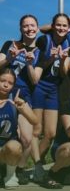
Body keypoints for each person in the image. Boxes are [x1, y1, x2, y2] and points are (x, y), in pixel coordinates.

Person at [30, 13, 70, 183]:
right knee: (37, 130)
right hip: (39, 86)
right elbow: (39, 66)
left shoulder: (69, 44)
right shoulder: (44, 41)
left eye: (65, 26)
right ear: (53, 26)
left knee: (50, 133)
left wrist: (62, 60)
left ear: (69, 28)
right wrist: (52, 57)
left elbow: (63, 72)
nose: (61, 28)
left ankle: (36, 166)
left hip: (54, 89)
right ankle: (37, 166)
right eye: (59, 25)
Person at [0, 14, 40, 185]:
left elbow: (35, 80)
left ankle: (17, 170)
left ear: (37, 28)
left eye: (32, 25)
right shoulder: (10, 44)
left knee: (26, 138)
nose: (29, 29)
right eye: (25, 26)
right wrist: (9, 58)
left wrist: (29, 63)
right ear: (20, 29)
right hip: (4, 92)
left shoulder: (40, 51)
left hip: (23, 96)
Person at [0, 68, 38, 188]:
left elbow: (34, 120)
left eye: (10, 83)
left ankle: (10, 176)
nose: (6, 85)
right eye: (2, 81)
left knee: (15, 146)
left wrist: (23, 109)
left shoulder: (15, 101)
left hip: (6, 151)